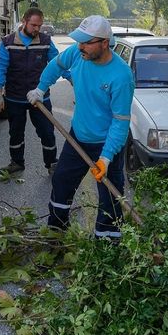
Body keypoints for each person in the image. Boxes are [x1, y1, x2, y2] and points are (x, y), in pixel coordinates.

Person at [27, 15, 134, 239]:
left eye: (86, 42)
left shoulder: (121, 75)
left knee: (110, 196)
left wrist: (105, 158)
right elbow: (55, 66)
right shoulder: (77, 54)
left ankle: (107, 244)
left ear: (104, 43)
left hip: (107, 143)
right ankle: (56, 230)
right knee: (62, 180)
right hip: (78, 138)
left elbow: (120, 123)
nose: (81, 46)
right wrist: (40, 88)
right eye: (79, 41)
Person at [0, 7, 66, 175]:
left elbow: (58, 64)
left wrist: (73, 80)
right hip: (15, 98)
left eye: (39, 26)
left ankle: (51, 163)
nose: (37, 29)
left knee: (47, 132)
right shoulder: (8, 42)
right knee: (15, 133)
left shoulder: (46, 41)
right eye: (34, 25)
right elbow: (1, 67)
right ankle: (17, 162)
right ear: (24, 21)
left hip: (39, 99)